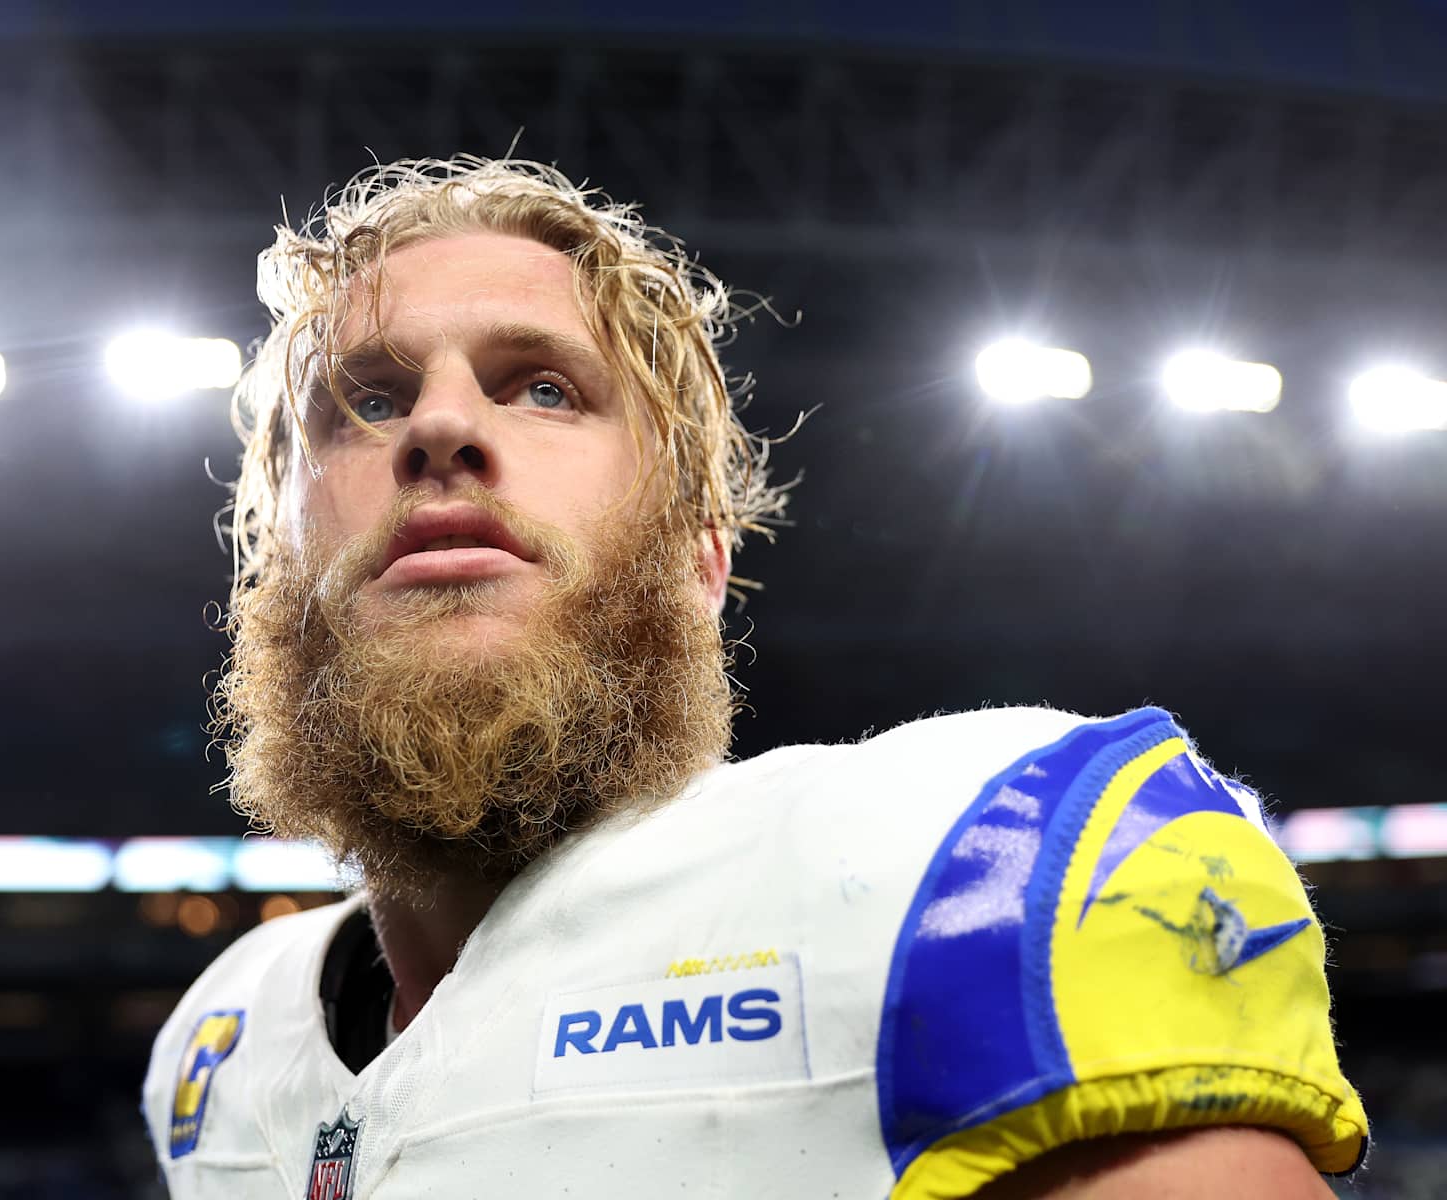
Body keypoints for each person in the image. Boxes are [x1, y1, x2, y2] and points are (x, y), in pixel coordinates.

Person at [142, 156, 1367, 1199]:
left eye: (547, 387)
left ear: (696, 559)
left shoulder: (968, 881)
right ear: (273, 557)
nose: (437, 429)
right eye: (363, 401)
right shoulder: (220, 1049)